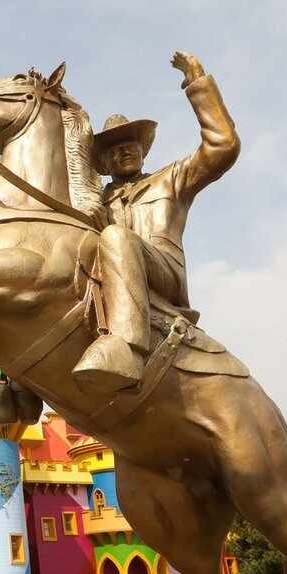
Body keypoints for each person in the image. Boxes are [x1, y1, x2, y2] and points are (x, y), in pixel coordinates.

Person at [73, 50, 240, 394]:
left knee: (116, 237)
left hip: (162, 273)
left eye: (132, 142)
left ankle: (128, 348)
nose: (126, 149)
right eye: (115, 147)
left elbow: (223, 146)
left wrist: (197, 83)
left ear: (143, 149)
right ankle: (17, 387)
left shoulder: (172, 179)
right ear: (102, 161)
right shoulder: (96, 201)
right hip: (110, 280)